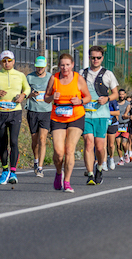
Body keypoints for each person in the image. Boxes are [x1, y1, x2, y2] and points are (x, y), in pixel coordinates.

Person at [44, 53, 91, 193]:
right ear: (59, 66)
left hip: (76, 116)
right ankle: (59, 173)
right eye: (62, 65)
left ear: (72, 65)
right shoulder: (54, 78)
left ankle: (67, 181)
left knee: (70, 150)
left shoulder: (78, 79)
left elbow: (88, 97)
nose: (65, 68)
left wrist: (80, 101)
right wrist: (52, 96)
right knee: (59, 152)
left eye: (68, 65)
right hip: (58, 118)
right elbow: (46, 98)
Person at [81, 45, 119, 186]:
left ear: (102, 58)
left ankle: (99, 167)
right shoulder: (82, 73)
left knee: (100, 146)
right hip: (86, 115)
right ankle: (90, 174)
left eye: (98, 57)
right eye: (93, 57)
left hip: (102, 115)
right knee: (88, 143)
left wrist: (107, 99)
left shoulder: (108, 74)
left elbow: (115, 93)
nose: (95, 60)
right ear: (89, 58)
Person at [0, 50, 30, 185]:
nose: (7, 63)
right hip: (1, 112)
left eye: (9, 60)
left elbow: (28, 89)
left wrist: (23, 95)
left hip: (15, 112)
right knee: (2, 143)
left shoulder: (20, 75)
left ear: (14, 61)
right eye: (4, 61)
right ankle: (5, 170)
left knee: (13, 141)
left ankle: (13, 172)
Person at [26, 55, 52, 178]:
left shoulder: (50, 77)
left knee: (42, 139)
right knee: (35, 140)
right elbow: (24, 94)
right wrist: (31, 94)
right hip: (32, 111)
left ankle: (40, 168)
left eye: (42, 67)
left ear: (45, 66)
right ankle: (36, 161)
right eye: (38, 67)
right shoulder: (29, 77)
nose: (40, 69)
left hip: (46, 112)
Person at [115, 89, 130, 166]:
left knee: (124, 143)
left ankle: (126, 153)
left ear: (125, 94)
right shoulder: (115, 103)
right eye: (120, 94)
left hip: (125, 125)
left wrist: (127, 116)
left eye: (122, 94)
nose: (121, 96)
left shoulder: (128, 104)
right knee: (118, 144)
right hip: (117, 125)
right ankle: (121, 159)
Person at [106, 98, 120, 170]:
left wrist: (107, 112)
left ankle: (111, 158)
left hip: (112, 123)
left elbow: (117, 113)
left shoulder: (112, 100)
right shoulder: (98, 98)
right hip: (102, 123)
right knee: (102, 144)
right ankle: (103, 162)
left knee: (111, 145)